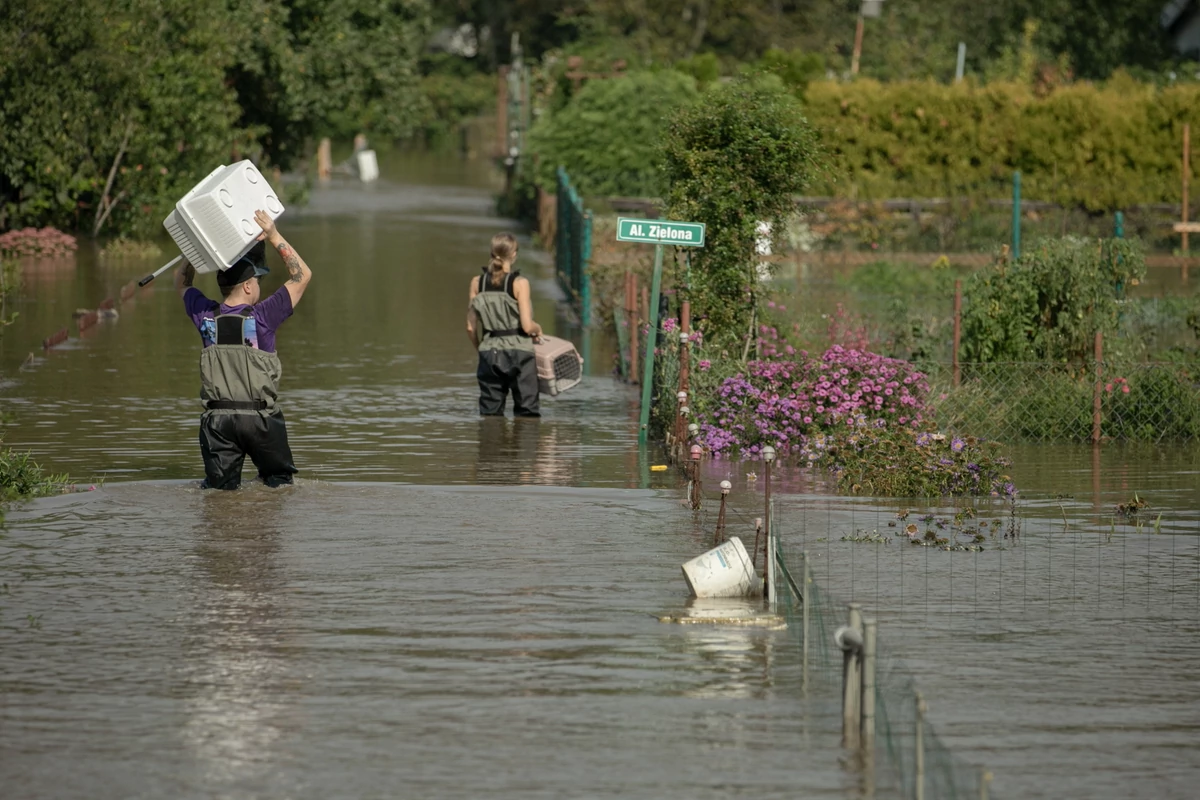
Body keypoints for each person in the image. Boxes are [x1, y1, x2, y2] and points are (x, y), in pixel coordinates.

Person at [175, 209, 313, 489]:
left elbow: (181, 282)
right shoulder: (263, 317)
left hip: (218, 422)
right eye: (258, 281)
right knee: (279, 487)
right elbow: (302, 276)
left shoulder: (205, 315)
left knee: (219, 494)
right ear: (249, 286)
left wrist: (195, 247)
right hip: (260, 420)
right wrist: (273, 236)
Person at [466, 233, 543, 417]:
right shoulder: (520, 283)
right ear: (514, 255)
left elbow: (470, 327)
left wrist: (481, 348)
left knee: (490, 414)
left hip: (489, 351)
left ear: (492, 253)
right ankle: (523, 443)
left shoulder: (477, 283)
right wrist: (538, 329)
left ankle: (491, 443)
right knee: (527, 412)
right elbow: (526, 326)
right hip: (520, 353)